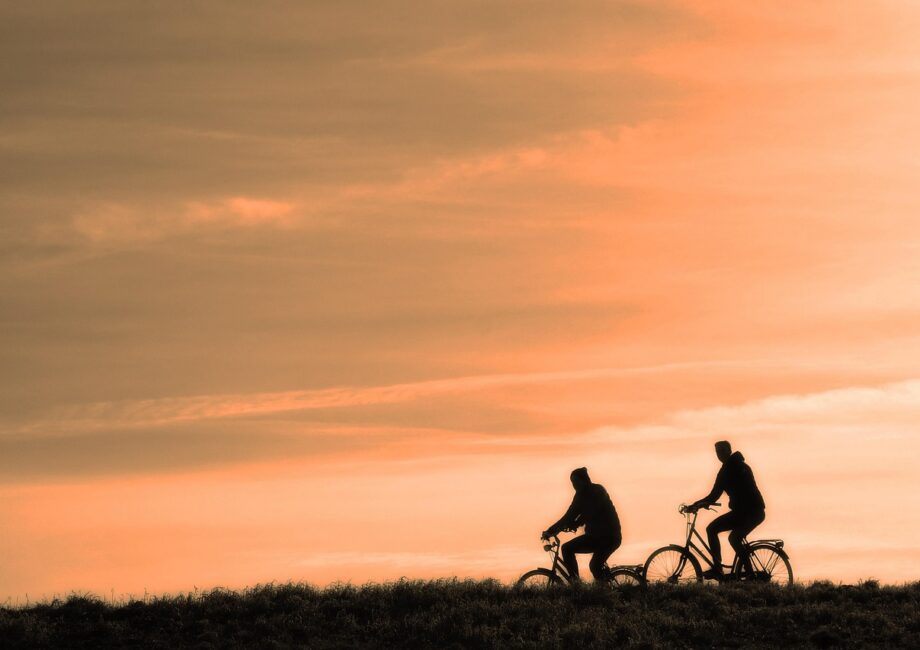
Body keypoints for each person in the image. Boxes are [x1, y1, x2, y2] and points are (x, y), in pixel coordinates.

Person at [688, 440, 766, 579]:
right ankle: (732, 570)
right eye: (717, 452)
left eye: (721, 451)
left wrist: (696, 504)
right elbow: (714, 495)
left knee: (725, 534)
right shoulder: (739, 466)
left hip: (749, 512)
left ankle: (745, 573)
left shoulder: (729, 469)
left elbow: (714, 496)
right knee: (725, 534)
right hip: (749, 512)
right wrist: (700, 503)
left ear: (729, 451)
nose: (719, 454)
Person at [542, 467, 622, 582]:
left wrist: (575, 523)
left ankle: (582, 586)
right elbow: (569, 515)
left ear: (584, 480)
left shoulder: (598, 490)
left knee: (593, 565)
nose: (574, 485)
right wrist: (551, 530)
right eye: (572, 483)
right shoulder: (579, 496)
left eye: (576, 482)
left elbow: (591, 511)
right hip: (595, 537)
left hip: (610, 537)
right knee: (569, 550)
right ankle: (581, 586)